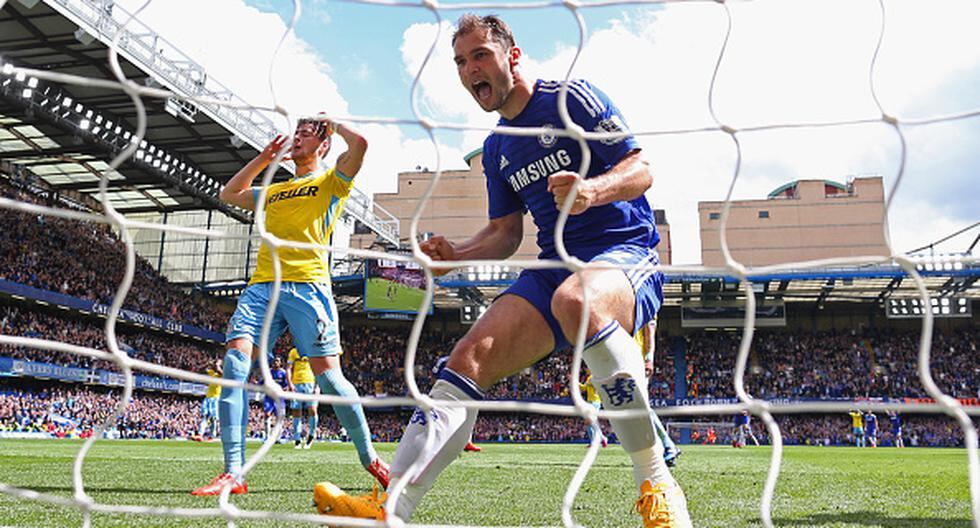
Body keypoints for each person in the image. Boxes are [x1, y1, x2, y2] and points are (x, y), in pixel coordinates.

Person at [315, 14, 690, 527]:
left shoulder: (570, 99)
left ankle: (658, 484)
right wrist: (457, 254)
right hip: (554, 267)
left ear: (512, 55)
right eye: (461, 62)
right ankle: (390, 509)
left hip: (626, 254)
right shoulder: (497, 148)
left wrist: (593, 190)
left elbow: (641, 168)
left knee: (577, 301)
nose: (470, 71)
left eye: (480, 56)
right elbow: (505, 233)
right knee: (466, 358)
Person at [191, 116, 389, 496]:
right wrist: (264, 158)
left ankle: (371, 460)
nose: (297, 138)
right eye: (295, 133)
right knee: (234, 366)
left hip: (308, 288)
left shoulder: (331, 181)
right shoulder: (275, 189)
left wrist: (332, 123)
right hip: (262, 287)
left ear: (324, 144)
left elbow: (361, 144)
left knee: (329, 379)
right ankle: (235, 472)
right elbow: (229, 193)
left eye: (306, 134)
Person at [636, 318, 680, 465]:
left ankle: (667, 446)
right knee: (639, 408)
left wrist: (648, 359)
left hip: (638, 363)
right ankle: (665, 447)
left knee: (641, 407)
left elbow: (650, 332)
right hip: (630, 361)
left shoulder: (645, 300)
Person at [432, 355, 481, 452]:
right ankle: (437, 441)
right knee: (442, 418)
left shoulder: (471, 361)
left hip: (464, 392)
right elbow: (434, 376)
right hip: (446, 392)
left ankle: (467, 442)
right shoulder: (444, 361)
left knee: (472, 411)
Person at [287, 346, 319, 449]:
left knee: (313, 410)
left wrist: (317, 386)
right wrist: (290, 384)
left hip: (311, 384)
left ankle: (311, 435)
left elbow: (318, 369)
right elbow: (288, 368)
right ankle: (297, 439)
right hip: (296, 384)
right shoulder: (293, 351)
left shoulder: (312, 350)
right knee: (296, 411)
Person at [261, 355, 289, 442]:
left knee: (279, 417)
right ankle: (267, 437)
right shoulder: (268, 372)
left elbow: (286, 386)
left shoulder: (283, 373)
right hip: (269, 397)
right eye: (274, 361)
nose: (275, 362)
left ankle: (278, 437)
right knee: (267, 414)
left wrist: (282, 390)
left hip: (279, 398)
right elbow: (261, 382)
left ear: (281, 363)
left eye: (277, 361)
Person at [579, 368, 609, 448]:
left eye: (587, 368)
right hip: (589, 402)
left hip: (595, 402)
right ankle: (594, 441)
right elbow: (583, 388)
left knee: (590, 421)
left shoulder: (595, 377)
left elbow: (600, 387)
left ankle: (603, 438)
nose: (586, 370)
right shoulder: (589, 378)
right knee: (588, 423)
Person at [194, 358, 222, 441]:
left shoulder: (222, 374)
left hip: (216, 398)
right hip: (208, 397)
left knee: (213, 418)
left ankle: (212, 436)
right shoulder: (212, 372)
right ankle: (200, 434)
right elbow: (200, 370)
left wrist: (218, 365)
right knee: (205, 416)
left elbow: (219, 370)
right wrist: (207, 364)